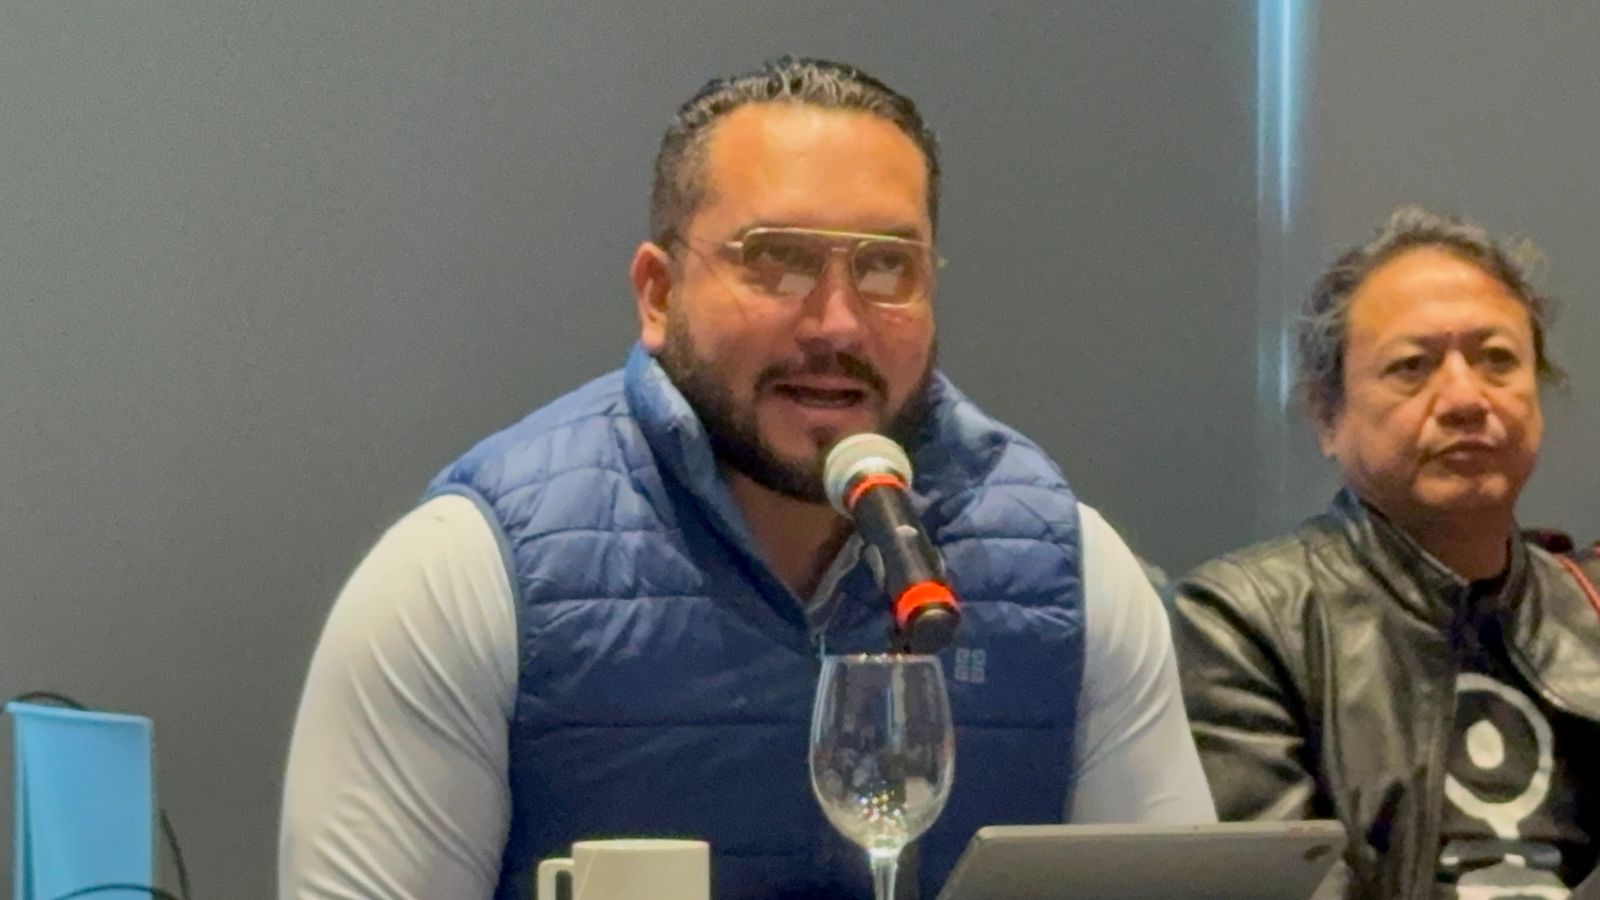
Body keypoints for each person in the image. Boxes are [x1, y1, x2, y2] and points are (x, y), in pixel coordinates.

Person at [279, 57, 1214, 900]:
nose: (838, 323)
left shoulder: (1069, 570)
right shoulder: (468, 570)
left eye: (887, 267)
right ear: (659, 294)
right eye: (778, 261)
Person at [1175, 206, 1600, 899]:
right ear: (1327, 415)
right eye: (1412, 366)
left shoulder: (1589, 605)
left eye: (1497, 359)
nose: (1465, 398)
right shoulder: (1245, 621)